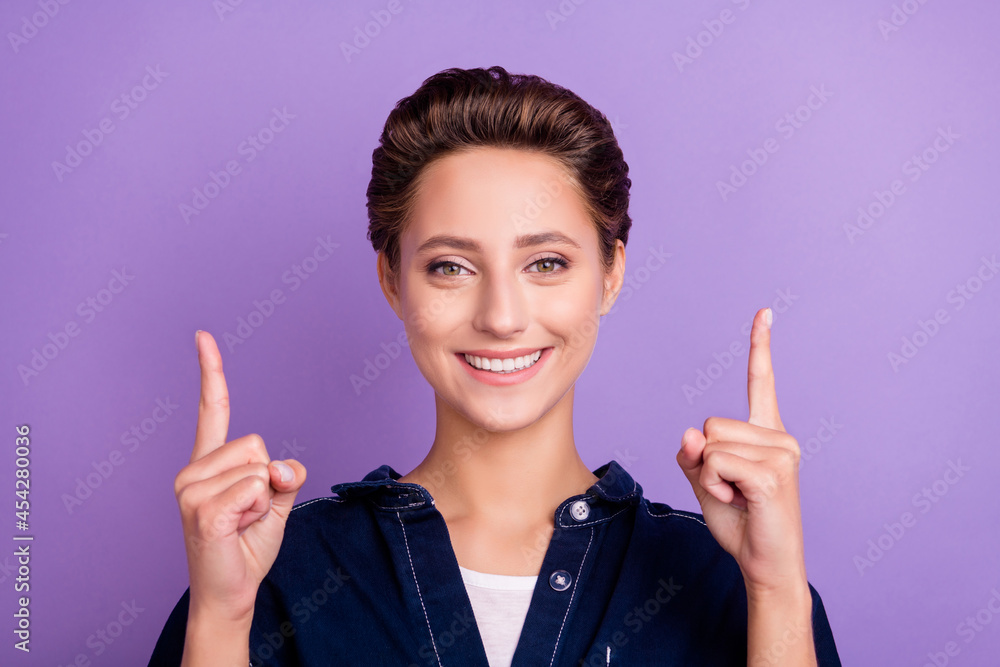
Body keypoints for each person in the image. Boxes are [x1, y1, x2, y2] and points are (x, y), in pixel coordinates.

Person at [149, 65, 841, 666]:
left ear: (610, 274)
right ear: (393, 280)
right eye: (451, 266)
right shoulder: (274, 574)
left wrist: (777, 591)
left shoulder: (729, 582)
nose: (502, 315)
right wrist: (221, 616)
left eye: (546, 263)